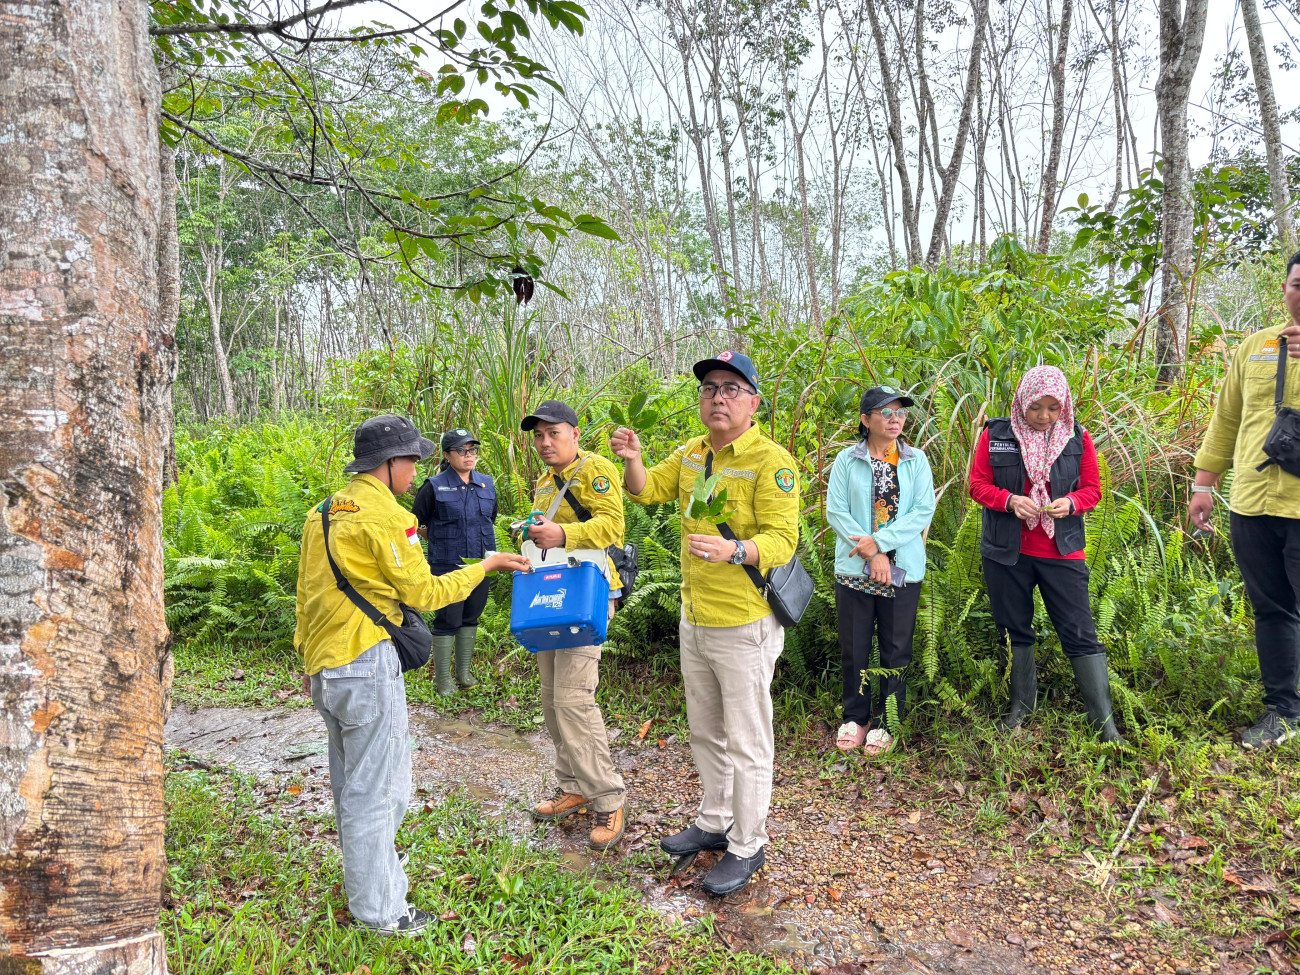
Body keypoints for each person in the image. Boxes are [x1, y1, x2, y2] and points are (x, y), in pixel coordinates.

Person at [295, 415, 530, 936]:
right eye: (411, 461)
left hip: (328, 667)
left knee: (351, 784)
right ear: (389, 464)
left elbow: (308, 596)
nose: (415, 470)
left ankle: (365, 883)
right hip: (367, 663)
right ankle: (381, 911)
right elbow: (424, 594)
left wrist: (308, 661)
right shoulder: (388, 517)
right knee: (380, 789)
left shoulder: (323, 512)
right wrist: (485, 567)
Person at [611, 351, 800, 897]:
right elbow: (647, 490)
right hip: (695, 618)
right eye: (710, 388)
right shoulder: (692, 453)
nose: (719, 397)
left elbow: (783, 541)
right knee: (704, 730)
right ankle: (715, 820)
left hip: (743, 623)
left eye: (732, 388)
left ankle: (748, 843)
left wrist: (734, 549)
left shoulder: (771, 461)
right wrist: (634, 457)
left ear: (753, 402)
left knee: (747, 740)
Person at [969, 366, 1124, 743]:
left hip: (1062, 551)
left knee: (1079, 629)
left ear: (1064, 405)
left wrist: (1070, 503)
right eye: (1036, 407)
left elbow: (1092, 489)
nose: (1044, 416)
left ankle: (1103, 722)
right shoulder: (996, 435)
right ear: (1023, 401)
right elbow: (977, 484)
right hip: (1008, 552)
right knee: (1014, 626)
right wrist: (1008, 501)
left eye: (1054, 408)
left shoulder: (1077, 437)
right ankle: (1021, 706)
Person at [1189, 253, 1300, 749]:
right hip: (1253, 502)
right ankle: (1283, 710)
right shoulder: (1257, 346)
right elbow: (1228, 419)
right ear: (1285, 289)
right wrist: (1203, 484)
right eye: (1298, 283)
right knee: (1271, 608)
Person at [519, 399, 628, 852]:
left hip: (588, 596)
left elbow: (613, 527)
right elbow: (546, 536)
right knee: (550, 697)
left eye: (554, 434)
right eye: (539, 436)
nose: (545, 443)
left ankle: (608, 796)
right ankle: (573, 785)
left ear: (575, 433)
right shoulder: (544, 483)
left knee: (573, 699)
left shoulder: (595, 469)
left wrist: (563, 535)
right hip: (550, 597)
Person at [825, 386, 936, 756]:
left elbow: (921, 511)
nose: (895, 419)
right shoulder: (846, 460)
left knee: (895, 648)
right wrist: (871, 554)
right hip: (857, 567)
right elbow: (837, 512)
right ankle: (856, 717)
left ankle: (888, 720)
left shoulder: (915, 460)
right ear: (865, 419)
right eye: (885, 412)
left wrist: (882, 546)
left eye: (900, 413)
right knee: (855, 647)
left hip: (901, 567)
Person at [412, 428, 498, 696]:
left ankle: (463, 671)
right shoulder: (434, 486)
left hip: (481, 563)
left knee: (471, 618)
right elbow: (414, 524)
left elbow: (490, 519)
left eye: (472, 450)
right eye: (461, 450)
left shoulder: (486, 483)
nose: (468, 455)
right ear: (447, 455)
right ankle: (443, 679)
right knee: (447, 620)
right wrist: (434, 535)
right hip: (447, 565)